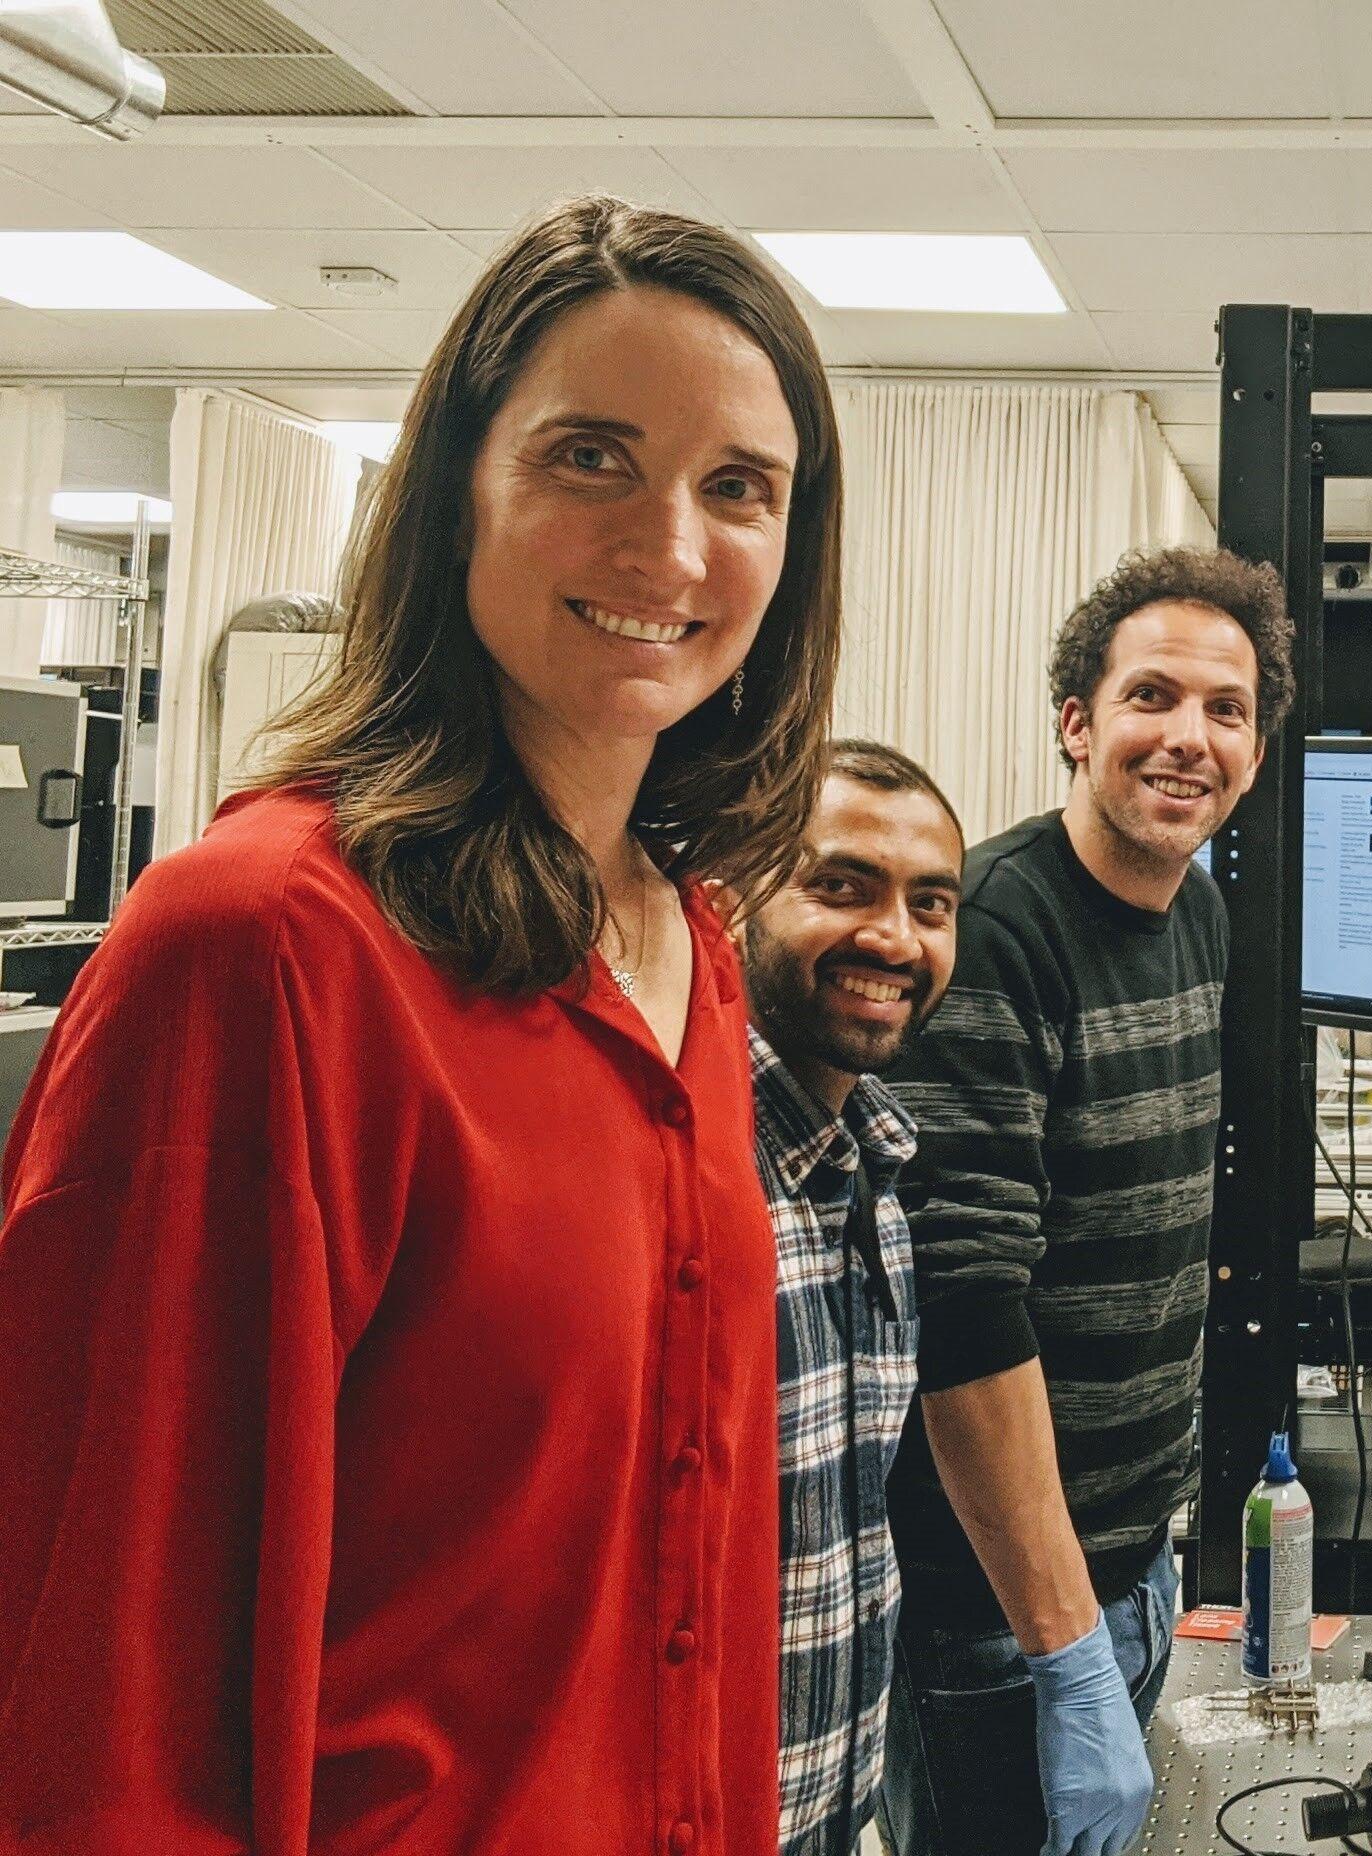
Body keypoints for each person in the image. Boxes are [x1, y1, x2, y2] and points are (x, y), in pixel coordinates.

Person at [0, 194, 842, 1852]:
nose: (671, 546)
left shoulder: (694, 941)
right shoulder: (260, 947)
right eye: (591, 456)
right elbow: (102, 1678)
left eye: (738, 487)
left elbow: (684, 1572)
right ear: (451, 491)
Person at [879, 547, 1296, 1856]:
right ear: (1077, 724)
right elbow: (965, 1305)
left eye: (1227, 711)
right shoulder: (999, 928)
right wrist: (1063, 1650)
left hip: (1127, 1563)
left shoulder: (1198, 917)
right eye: (1152, 697)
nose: (1190, 739)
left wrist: (1149, 1560)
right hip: (995, 1608)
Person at [741, 741, 967, 1856]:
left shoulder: (873, 1165)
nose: (894, 937)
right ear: (737, 892)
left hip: (830, 1809)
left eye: (930, 903)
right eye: (840, 886)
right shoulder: (686, 1174)